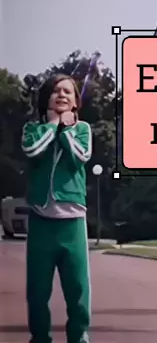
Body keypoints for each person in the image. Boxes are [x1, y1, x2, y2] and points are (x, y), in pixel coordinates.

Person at [21, 74, 93, 343]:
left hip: (73, 222)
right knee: (37, 290)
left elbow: (80, 156)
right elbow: (32, 150)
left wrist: (67, 129)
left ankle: (79, 336)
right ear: (46, 98)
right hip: (40, 221)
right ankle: (40, 338)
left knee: (78, 288)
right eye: (55, 91)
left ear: (75, 102)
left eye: (67, 92)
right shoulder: (33, 128)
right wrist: (52, 125)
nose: (61, 95)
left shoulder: (82, 129)